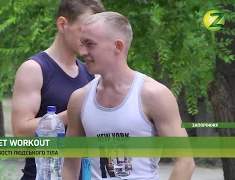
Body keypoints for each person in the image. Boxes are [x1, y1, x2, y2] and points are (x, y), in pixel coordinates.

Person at [62, 11, 195, 179]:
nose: (83, 52)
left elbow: (185, 162)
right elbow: (69, 165)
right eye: (82, 44)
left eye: (90, 44)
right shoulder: (79, 99)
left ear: (118, 46)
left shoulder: (154, 95)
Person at [11, 0, 105, 179]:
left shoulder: (91, 73)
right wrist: (74, 112)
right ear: (63, 24)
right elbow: (20, 131)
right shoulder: (34, 69)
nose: (90, 40)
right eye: (83, 32)